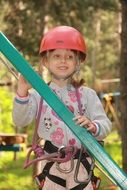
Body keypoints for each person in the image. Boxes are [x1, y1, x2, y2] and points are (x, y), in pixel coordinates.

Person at [12, 26, 112, 190]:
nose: (63, 61)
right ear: (45, 60)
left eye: (69, 57)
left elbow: (105, 125)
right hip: (52, 165)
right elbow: (20, 120)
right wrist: (22, 92)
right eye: (57, 56)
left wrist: (94, 126)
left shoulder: (88, 95)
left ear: (78, 61)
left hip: (81, 167)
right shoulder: (38, 96)